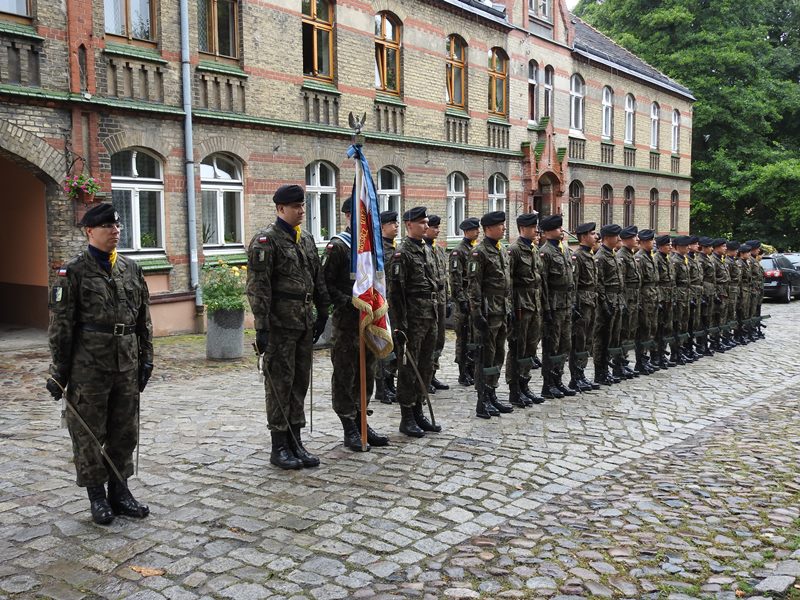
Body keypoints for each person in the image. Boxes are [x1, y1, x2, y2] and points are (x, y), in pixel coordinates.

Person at [46, 203, 153, 525]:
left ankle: (120, 492)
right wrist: (59, 372)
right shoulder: (73, 272)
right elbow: (61, 326)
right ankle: (97, 496)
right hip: (88, 366)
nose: (115, 231)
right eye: (107, 226)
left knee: (124, 431)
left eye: (117, 225)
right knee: (88, 433)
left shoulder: (131, 269)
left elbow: (143, 320)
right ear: (89, 231)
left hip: (126, 362)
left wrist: (146, 358)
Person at [246, 184, 330, 470]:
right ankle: (279, 445)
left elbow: (317, 277)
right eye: (296, 206)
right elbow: (258, 288)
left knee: (299, 382)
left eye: (303, 205)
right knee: (280, 384)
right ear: (280, 208)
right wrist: (262, 327)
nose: (301, 211)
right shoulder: (266, 241)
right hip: (280, 324)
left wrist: (323, 310)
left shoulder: (305, 239)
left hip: (303, 322)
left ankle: (296, 440)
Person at [323, 198, 389, 452]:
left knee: (367, 371)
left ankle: (362, 420)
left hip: (368, 321)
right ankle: (348, 425)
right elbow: (326, 284)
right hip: (347, 322)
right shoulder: (339, 247)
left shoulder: (372, 247)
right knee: (345, 373)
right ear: (350, 216)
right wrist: (349, 302)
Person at [387, 206, 442, 437]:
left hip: (430, 316)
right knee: (409, 368)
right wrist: (399, 325)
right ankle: (407, 416)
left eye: (427, 222)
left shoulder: (426, 249)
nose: (426, 226)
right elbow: (395, 294)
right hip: (412, 320)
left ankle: (419, 410)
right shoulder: (402, 254)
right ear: (409, 225)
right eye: (422, 223)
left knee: (426, 366)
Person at [468, 211, 514, 417]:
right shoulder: (479, 253)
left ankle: (492, 392)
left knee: (498, 354)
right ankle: (482, 399)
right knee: (485, 355)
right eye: (500, 225)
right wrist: (476, 313)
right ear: (488, 229)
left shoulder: (501, 249)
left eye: (504, 225)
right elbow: (474, 286)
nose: (504, 228)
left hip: (501, 309)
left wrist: (509, 307)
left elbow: (507, 284)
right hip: (488, 310)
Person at [506, 212, 546, 406]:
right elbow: (508, 283)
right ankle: (515, 389)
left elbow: (539, 278)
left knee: (531, 347)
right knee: (518, 348)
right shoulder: (514, 250)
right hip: (520, 305)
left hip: (534, 304)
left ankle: (525, 384)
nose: (536, 231)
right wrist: (510, 309)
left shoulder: (534, 249)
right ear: (522, 228)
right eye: (532, 227)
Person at [538, 214, 575, 398]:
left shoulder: (565, 250)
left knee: (564, 344)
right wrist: (546, 309)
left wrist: (573, 303)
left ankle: (558, 379)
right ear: (547, 232)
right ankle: (548, 383)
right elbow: (543, 283)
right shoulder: (545, 252)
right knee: (551, 345)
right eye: (557, 228)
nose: (561, 230)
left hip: (566, 304)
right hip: (553, 305)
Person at [568, 222, 599, 392]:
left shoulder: (590, 255)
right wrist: (574, 305)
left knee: (587, 340)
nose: (596, 236)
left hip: (591, 301)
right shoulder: (578, 256)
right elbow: (574, 283)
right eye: (592, 234)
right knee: (579, 340)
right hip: (582, 303)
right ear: (584, 236)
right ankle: (575, 376)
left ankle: (582, 374)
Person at [593, 224, 624, 385]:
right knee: (602, 338)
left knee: (613, 336)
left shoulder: (613, 255)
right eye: (615, 236)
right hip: (606, 301)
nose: (618, 239)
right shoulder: (601, 256)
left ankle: (607, 368)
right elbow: (599, 283)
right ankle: (600, 371)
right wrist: (604, 303)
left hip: (616, 299)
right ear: (606, 238)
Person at [450, 217, 480, 386]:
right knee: (463, 337)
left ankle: (471, 368)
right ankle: (463, 372)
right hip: (464, 301)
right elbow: (455, 279)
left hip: (473, 300)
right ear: (466, 231)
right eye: (474, 230)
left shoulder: (475, 249)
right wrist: (461, 300)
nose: (478, 232)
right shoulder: (458, 251)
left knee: (473, 337)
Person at [424, 214, 451, 393]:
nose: (437, 230)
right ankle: (425, 377)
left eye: (438, 227)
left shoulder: (439, 250)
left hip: (440, 301)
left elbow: (445, 277)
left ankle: (432, 373)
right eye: (434, 227)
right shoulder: (422, 250)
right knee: (429, 341)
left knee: (439, 340)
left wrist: (448, 299)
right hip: (428, 303)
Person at [376, 210, 400, 404]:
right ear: (382, 226)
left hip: (396, 304)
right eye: (392, 223)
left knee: (396, 346)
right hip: (383, 304)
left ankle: (390, 382)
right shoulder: (378, 250)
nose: (396, 226)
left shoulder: (396, 248)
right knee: (384, 345)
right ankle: (382, 386)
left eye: (397, 223)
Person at [617, 225, 641, 377]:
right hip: (626, 298)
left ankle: (624, 361)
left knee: (629, 331)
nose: (637, 239)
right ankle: (619, 364)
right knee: (623, 331)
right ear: (626, 239)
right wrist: (623, 302)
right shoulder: (622, 256)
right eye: (634, 237)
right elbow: (622, 282)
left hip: (633, 299)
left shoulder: (630, 254)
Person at [634, 229, 659, 374]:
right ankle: (641, 361)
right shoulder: (640, 258)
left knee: (651, 329)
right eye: (651, 240)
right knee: (644, 329)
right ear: (643, 242)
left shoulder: (650, 256)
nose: (653, 242)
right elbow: (639, 283)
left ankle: (646, 359)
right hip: (644, 298)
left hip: (652, 297)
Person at [654, 235, 676, 368]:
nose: (670, 247)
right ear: (660, 246)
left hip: (668, 297)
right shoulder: (656, 259)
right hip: (661, 297)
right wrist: (659, 299)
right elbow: (655, 282)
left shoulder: (668, 259)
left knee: (666, 327)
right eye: (668, 245)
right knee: (658, 328)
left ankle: (662, 353)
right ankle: (656, 356)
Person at [670, 236, 692, 364]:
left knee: (684, 324)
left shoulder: (684, 259)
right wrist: (674, 298)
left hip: (685, 295)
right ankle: (675, 352)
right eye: (686, 245)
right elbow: (673, 282)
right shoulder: (675, 261)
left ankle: (681, 350)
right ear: (678, 247)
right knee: (677, 325)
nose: (688, 247)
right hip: (679, 296)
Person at [696, 237, 717, 356]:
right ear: (704, 247)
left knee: (707, 319)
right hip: (704, 292)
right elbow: (701, 278)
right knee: (702, 320)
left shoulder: (707, 258)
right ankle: (701, 345)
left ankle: (704, 344)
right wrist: (703, 293)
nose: (712, 249)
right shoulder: (700, 259)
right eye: (709, 246)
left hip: (710, 291)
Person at [710, 238, 731, 352]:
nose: (725, 248)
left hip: (723, 291)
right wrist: (715, 294)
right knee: (716, 318)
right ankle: (714, 342)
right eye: (723, 246)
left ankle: (718, 341)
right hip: (718, 292)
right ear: (717, 247)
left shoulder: (720, 259)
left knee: (721, 318)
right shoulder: (713, 260)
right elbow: (712, 280)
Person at [686, 236, 704, 360]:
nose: (698, 246)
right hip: (689, 293)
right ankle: (686, 348)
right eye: (695, 244)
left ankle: (690, 348)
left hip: (697, 292)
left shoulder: (695, 258)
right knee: (688, 322)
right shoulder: (685, 259)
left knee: (695, 322)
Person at [723, 240, 742, 348]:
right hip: (729, 290)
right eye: (735, 250)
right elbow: (728, 278)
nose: (737, 252)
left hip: (734, 290)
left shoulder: (732, 261)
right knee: (728, 313)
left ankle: (729, 336)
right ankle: (726, 336)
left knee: (732, 313)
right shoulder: (727, 261)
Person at [745, 240, 766, 339]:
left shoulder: (754, 260)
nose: (759, 250)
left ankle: (754, 329)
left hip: (758, 289)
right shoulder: (750, 261)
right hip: (752, 289)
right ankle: (749, 330)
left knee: (756, 310)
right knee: (751, 311)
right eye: (757, 249)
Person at [736, 243, 753, 343]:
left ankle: (743, 333)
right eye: (748, 252)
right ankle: (738, 334)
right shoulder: (739, 263)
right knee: (740, 313)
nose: (749, 254)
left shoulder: (746, 263)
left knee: (745, 312)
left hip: (747, 290)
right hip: (742, 291)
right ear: (742, 253)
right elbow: (739, 280)